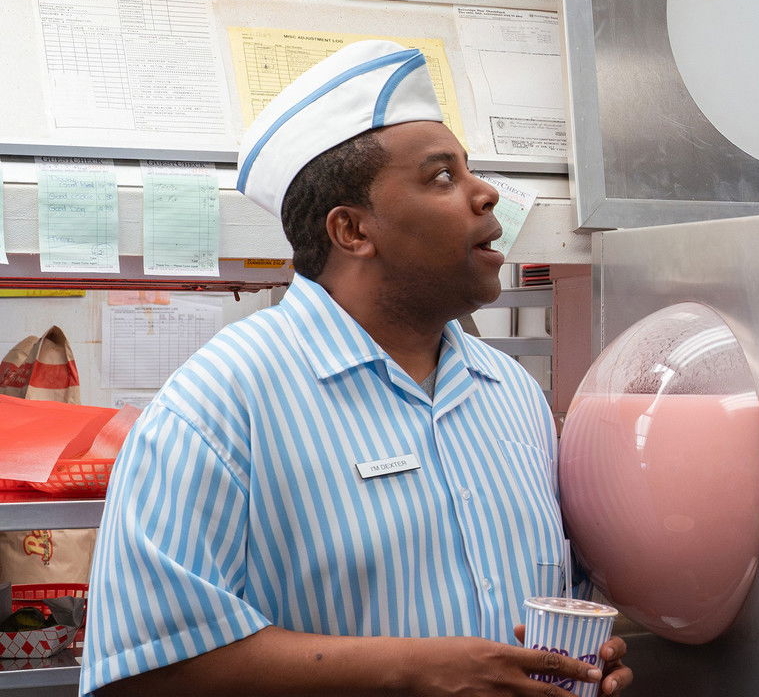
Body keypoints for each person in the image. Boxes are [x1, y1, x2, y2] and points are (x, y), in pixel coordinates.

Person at [81, 41, 634, 697]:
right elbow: (140, 668)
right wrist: (414, 671)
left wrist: (582, 659)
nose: (486, 193)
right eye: (442, 177)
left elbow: (558, 597)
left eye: (470, 171)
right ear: (352, 231)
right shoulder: (220, 403)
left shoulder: (511, 392)